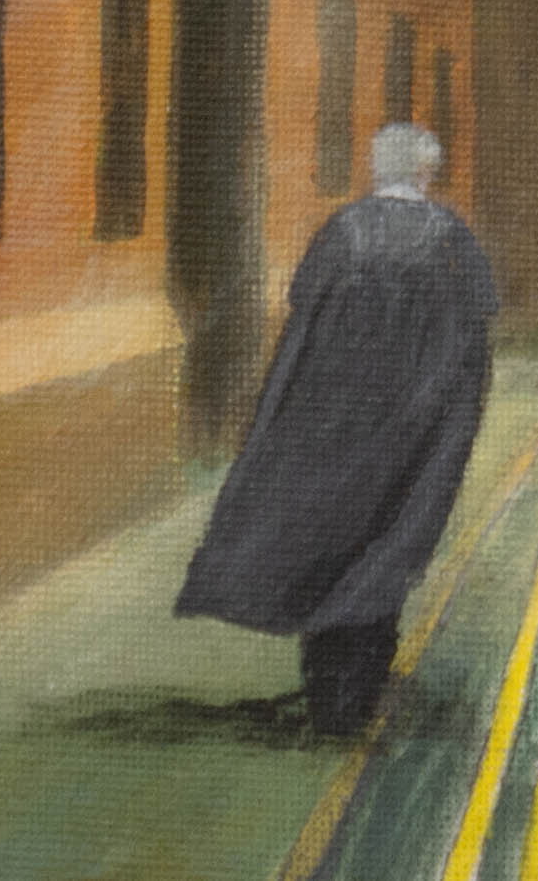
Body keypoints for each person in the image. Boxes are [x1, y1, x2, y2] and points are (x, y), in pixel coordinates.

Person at [178, 122, 502, 737]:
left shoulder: (343, 230)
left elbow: (302, 321)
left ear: (377, 169)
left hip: (332, 422)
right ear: (425, 173)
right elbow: (474, 336)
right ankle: (361, 687)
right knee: (388, 541)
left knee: (329, 540)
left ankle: (326, 686)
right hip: (411, 425)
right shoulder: (452, 238)